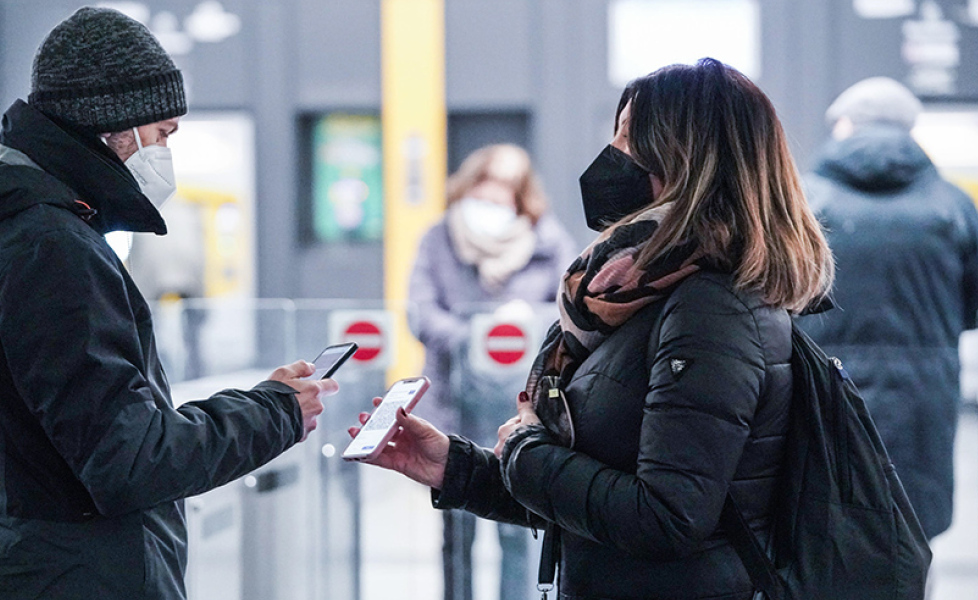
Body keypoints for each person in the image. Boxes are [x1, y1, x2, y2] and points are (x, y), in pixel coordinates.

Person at [355, 58, 834, 600]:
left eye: (628, 140)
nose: (612, 159)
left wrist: (526, 449)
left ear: (681, 160)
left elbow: (664, 519)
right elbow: (597, 492)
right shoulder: (632, 294)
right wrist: (455, 467)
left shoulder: (711, 312)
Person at [0, 7, 337, 599]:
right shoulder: (50, 250)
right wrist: (275, 413)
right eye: (162, 134)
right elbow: (131, 462)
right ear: (113, 125)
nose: (166, 152)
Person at [797, 77, 978, 545]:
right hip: (922, 396)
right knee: (911, 531)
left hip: (824, 392)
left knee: (827, 532)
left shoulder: (805, 201)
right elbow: (975, 302)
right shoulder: (953, 206)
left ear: (846, 125)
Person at [408, 144, 576, 600]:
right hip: (454, 406)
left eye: (505, 193)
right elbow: (421, 312)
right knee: (456, 533)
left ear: (523, 199)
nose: (492, 202)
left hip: (518, 408)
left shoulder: (549, 242)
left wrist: (526, 325)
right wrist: (473, 337)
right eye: (485, 190)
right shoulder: (438, 238)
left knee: (518, 531)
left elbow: (570, 312)